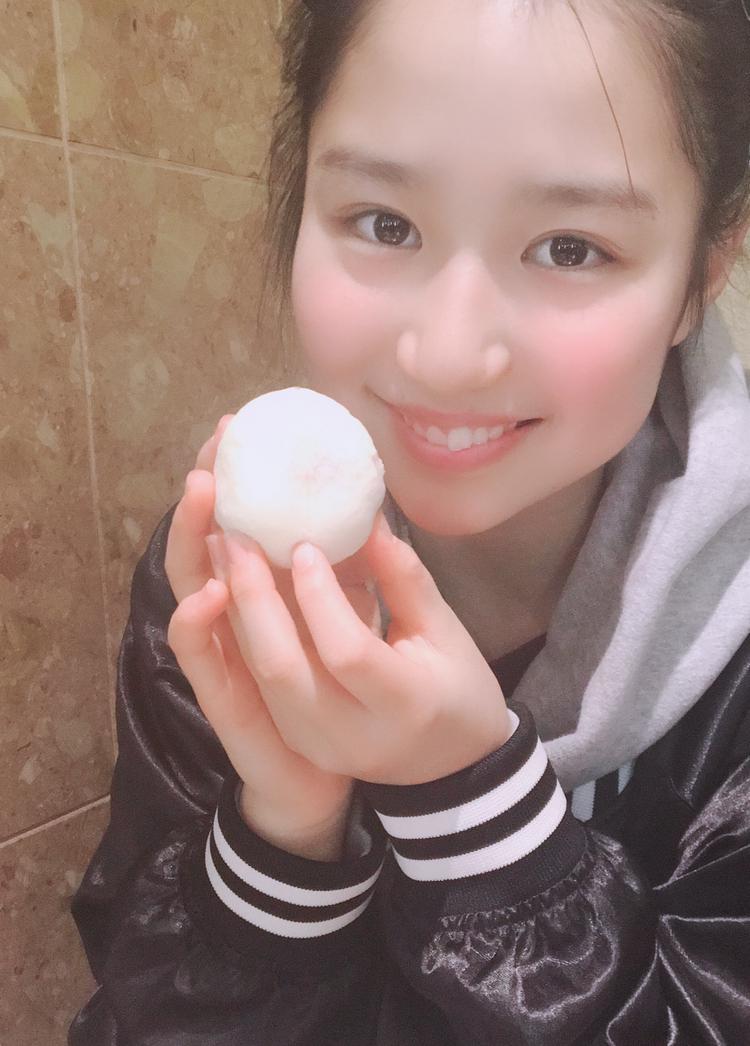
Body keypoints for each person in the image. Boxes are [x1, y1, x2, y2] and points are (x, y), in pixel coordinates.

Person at [69, 0, 750, 1042]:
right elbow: (148, 1002)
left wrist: (464, 795)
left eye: (570, 247)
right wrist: (287, 830)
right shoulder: (228, 575)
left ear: (701, 275)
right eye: (385, 224)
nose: (446, 354)